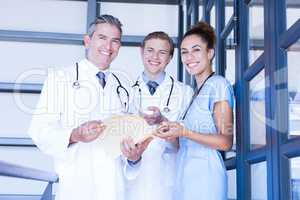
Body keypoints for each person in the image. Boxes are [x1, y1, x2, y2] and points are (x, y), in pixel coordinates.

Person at [28, 15, 134, 200]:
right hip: (77, 187)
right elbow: (39, 131)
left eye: (115, 41)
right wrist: (75, 135)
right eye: (102, 38)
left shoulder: (124, 87)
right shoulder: (60, 78)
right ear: (87, 41)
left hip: (114, 189)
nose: (108, 47)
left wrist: (134, 156)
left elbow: (127, 144)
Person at [155, 21, 235, 200]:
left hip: (206, 177)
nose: (189, 57)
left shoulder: (218, 85)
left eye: (196, 50)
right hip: (185, 176)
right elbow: (183, 143)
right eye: (184, 52)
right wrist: (163, 122)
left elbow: (225, 141)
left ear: (210, 53)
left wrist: (185, 131)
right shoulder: (194, 95)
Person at [120, 31, 193, 200]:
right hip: (132, 180)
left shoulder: (185, 93)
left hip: (169, 180)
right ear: (141, 52)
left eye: (162, 52)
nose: (155, 56)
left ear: (170, 58)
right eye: (150, 50)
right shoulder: (124, 91)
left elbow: (189, 143)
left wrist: (163, 121)